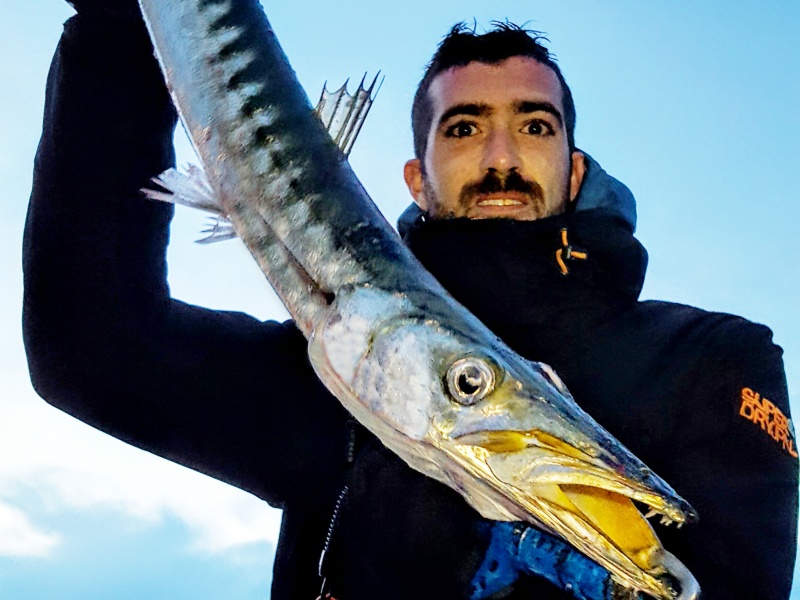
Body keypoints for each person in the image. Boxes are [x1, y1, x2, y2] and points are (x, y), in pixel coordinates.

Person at [22, 2, 798, 599]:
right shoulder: (326, 377)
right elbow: (90, 344)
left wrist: (461, 558)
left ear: (572, 167)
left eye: (534, 124)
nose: (501, 156)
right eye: (464, 128)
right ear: (417, 178)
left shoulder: (713, 356)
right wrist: (116, 33)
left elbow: (737, 582)